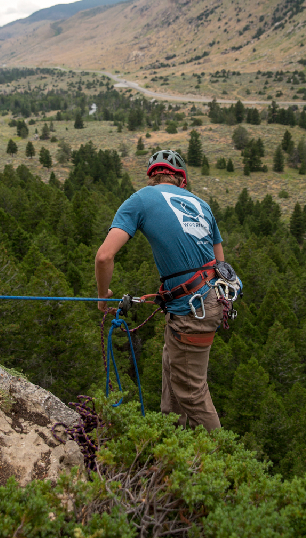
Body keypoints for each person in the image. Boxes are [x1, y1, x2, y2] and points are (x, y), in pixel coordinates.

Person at [95, 148, 226, 431]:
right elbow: (220, 264)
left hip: (190, 310)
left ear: (152, 177)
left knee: (192, 391)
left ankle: (225, 463)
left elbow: (104, 256)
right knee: (172, 370)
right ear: (181, 181)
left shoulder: (142, 198)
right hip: (207, 303)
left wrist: (102, 295)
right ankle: (172, 442)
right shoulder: (202, 205)